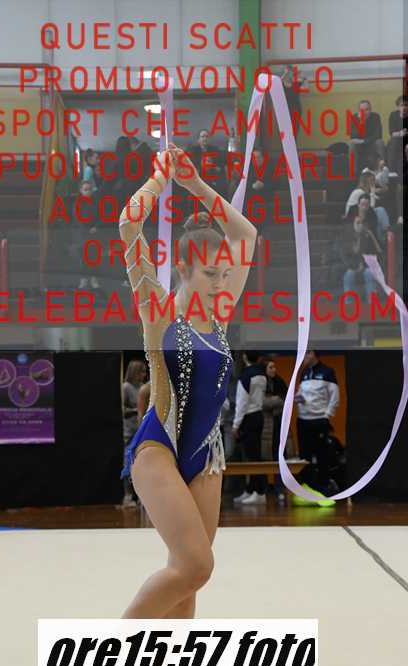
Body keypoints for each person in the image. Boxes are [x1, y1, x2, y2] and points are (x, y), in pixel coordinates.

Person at [118, 142, 257, 619]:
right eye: (211, 274)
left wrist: (194, 183)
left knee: (189, 577)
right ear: (182, 268)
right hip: (158, 447)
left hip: (206, 457)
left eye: (225, 274)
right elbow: (128, 224)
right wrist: (161, 177)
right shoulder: (157, 310)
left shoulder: (219, 311)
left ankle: (171, 663)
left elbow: (246, 233)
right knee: (196, 564)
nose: (221, 283)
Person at [295, 350, 340, 499]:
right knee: (305, 456)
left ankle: (324, 486)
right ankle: (307, 487)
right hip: (303, 420)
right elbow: (301, 393)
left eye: (308, 353)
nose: (305, 357)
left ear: (314, 355)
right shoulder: (304, 373)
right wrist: (298, 399)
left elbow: (335, 396)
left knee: (322, 454)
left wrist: (327, 415)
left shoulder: (327, 372)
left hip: (319, 420)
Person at [231, 352, 268, 505]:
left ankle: (259, 491)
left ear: (245, 357)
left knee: (252, 456)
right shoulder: (262, 375)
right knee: (255, 454)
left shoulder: (246, 376)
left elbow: (242, 402)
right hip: (259, 415)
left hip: (249, 417)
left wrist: (236, 425)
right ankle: (251, 489)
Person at [261, 357, 288, 505]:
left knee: (281, 456)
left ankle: (280, 488)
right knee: (265, 456)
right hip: (266, 427)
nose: (274, 370)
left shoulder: (279, 382)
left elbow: (285, 400)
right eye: (270, 367)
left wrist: (275, 401)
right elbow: (261, 402)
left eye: (275, 367)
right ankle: (264, 488)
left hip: (279, 424)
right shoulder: (261, 382)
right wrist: (275, 401)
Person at [122, 360, 147, 508]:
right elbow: (122, 410)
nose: (144, 375)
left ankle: (142, 497)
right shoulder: (126, 387)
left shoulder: (143, 387)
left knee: (142, 463)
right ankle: (128, 495)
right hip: (130, 431)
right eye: (141, 371)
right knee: (128, 463)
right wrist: (137, 410)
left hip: (142, 431)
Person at [348, 100, 386, 174]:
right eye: (362, 110)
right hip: (360, 146)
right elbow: (353, 136)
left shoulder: (376, 117)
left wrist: (363, 141)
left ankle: (383, 168)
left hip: (372, 144)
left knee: (380, 142)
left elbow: (378, 134)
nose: (364, 112)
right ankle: (353, 172)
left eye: (367, 109)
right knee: (352, 145)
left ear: (370, 110)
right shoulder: (354, 117)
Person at [386, 95, 408, 172]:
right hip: (398, 138)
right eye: (401, 105)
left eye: (406, 105)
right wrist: (400, 133)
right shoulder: (393, 115)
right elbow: (391, 133)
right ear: (398, 107)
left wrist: (406, 133)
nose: (404, 107)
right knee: (392, 142)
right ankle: (392, 169)